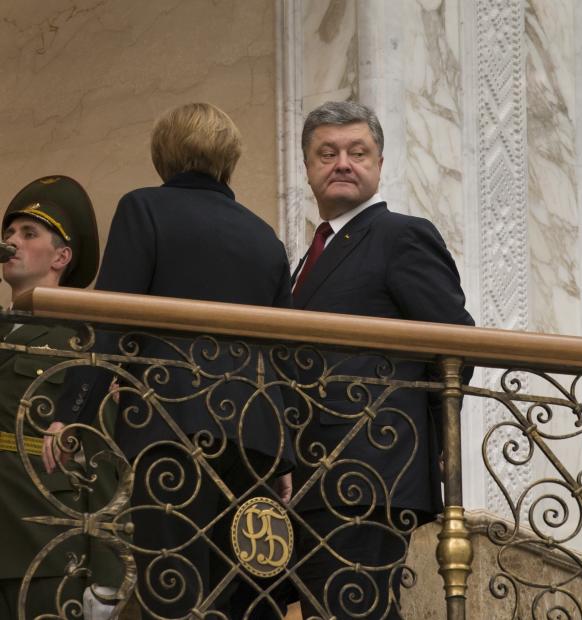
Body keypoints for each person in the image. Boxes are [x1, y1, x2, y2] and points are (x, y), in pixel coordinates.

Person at [44, 103, 295, 619]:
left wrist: (73, 411)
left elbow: (110, 318)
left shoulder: (144, 209)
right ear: (229, 159)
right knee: (240, 592)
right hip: (254, 443)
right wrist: (286, 455)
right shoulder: (265, 238)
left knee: (172, 586)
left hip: (171, 430)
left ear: (164, 156)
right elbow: (283, 354)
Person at [290, 100, 474, 619]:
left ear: (379, 164)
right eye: (327, 153)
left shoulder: (401, 236)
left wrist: (445, 443)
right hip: (314, 472)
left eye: (357, 152)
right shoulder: (311, 254)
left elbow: (455, 343)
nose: (342, 163)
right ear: (307, 168)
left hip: (373, 466)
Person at [0, 175, 120, 618]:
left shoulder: (80, 337)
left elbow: (103, 458)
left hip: (46, 551)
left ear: (61, 257)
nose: (12, 241)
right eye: (8, 233)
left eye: (29, 234)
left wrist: (107, 573)